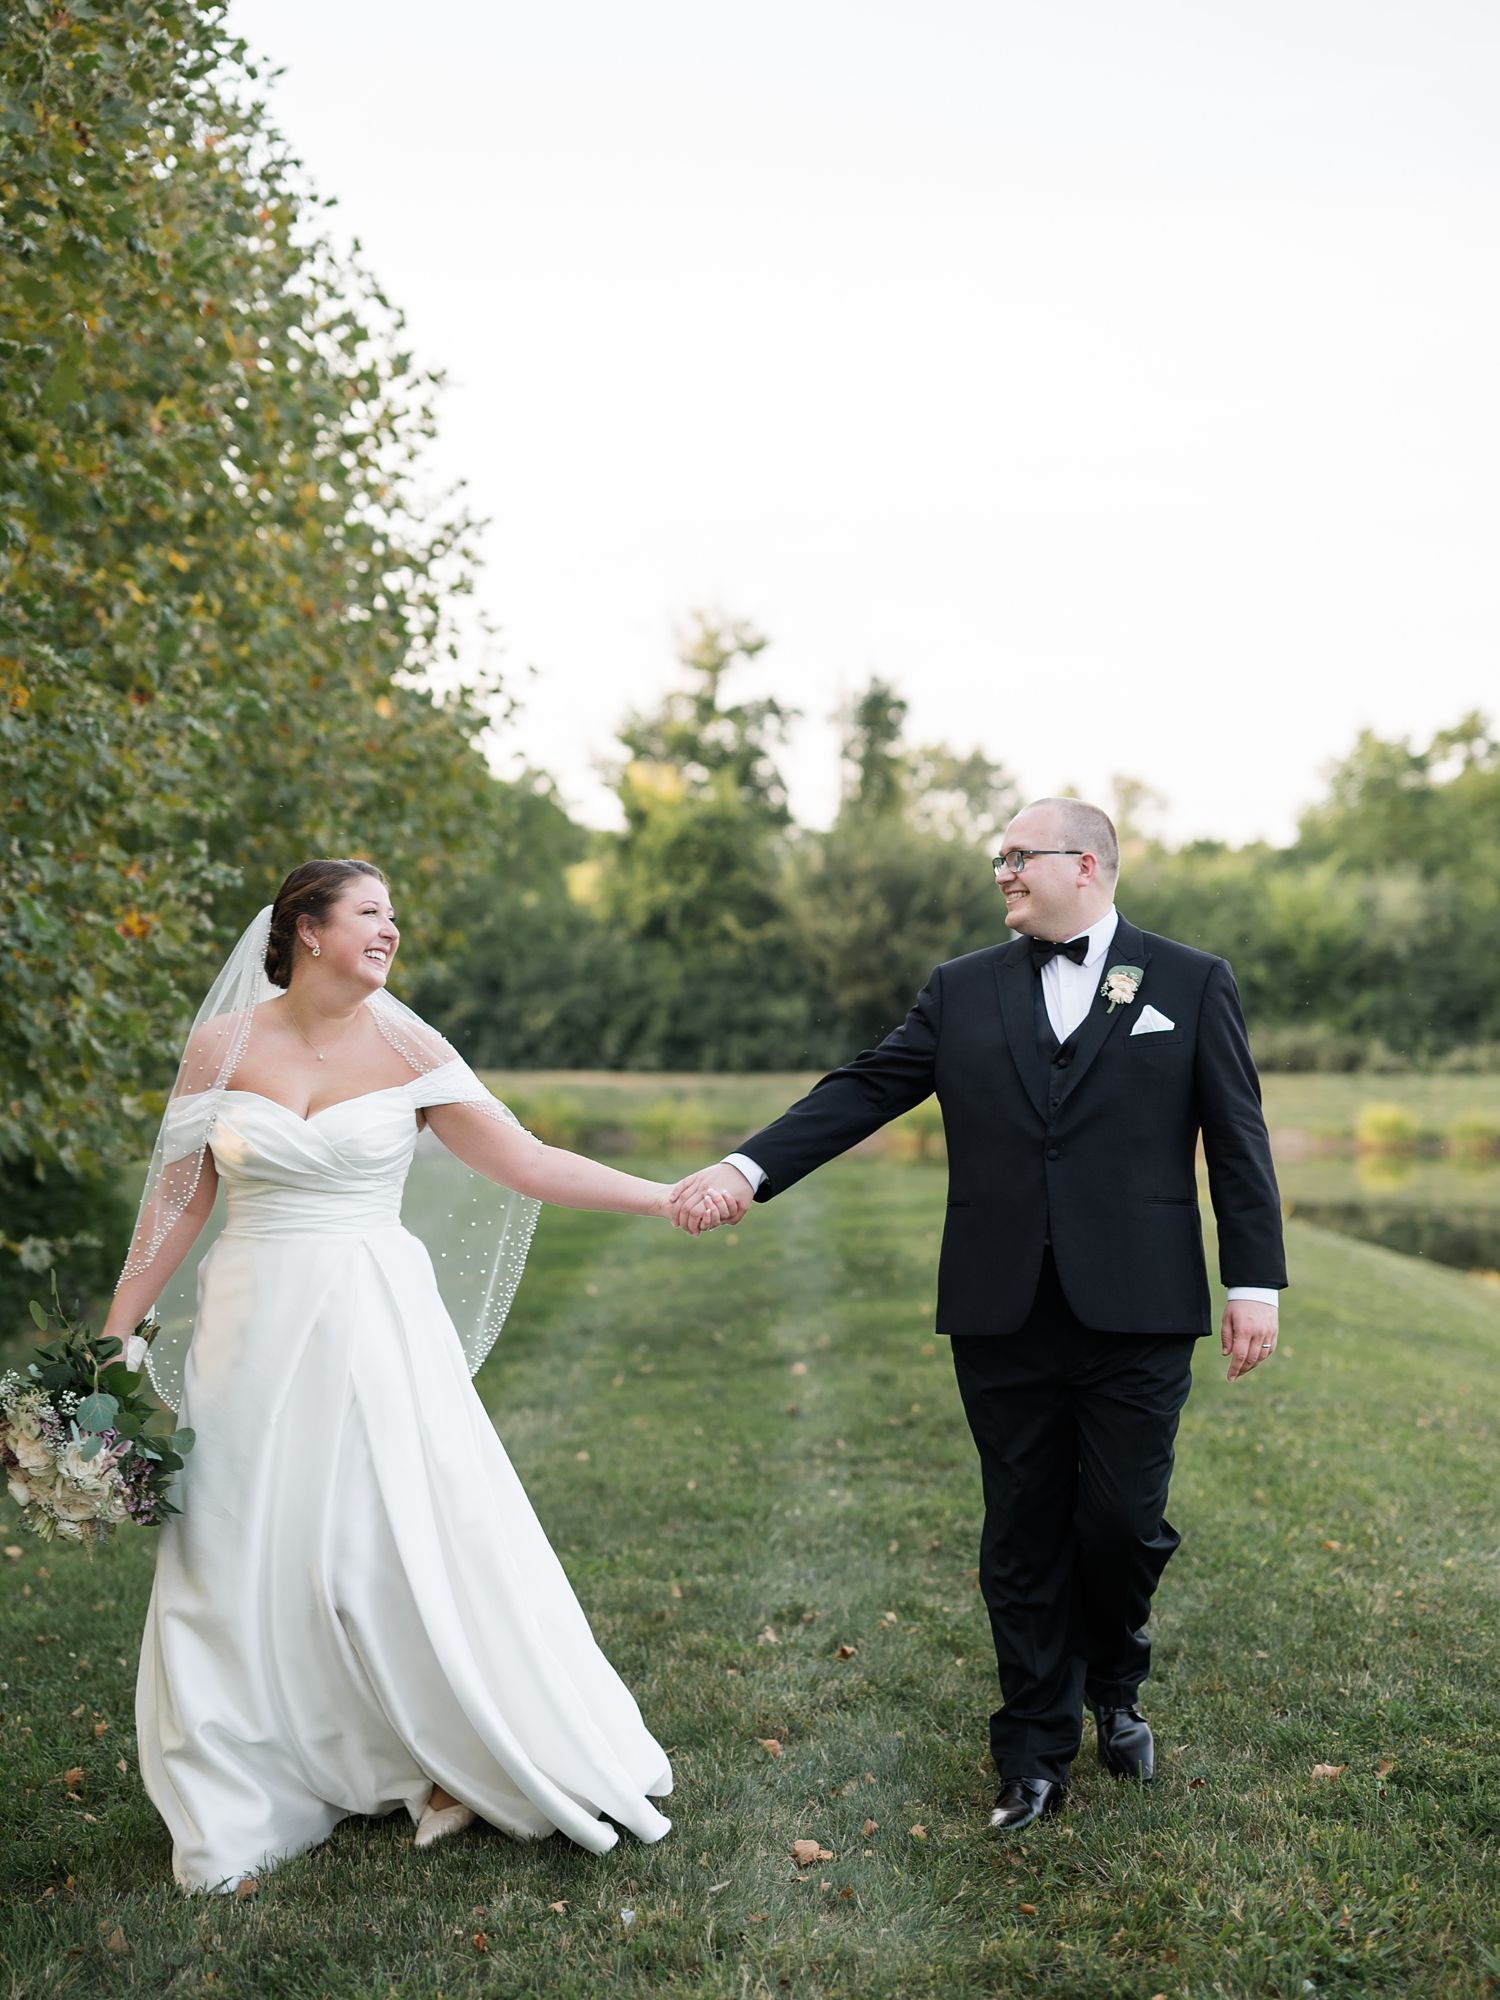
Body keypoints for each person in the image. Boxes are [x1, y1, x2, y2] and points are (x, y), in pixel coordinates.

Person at [105, 858, 733, 1893]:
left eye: (395, 914)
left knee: (377, 1536)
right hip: (247, 1329)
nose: (391, 929)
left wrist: (661, 1195)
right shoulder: (221, 1045)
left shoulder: (408, 1042)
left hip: (372, 1322)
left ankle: (440, 1758)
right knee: (232, 1536)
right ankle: (243, 1775)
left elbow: (525, 1160)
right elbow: (178, 1196)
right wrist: (117, 1332)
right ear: (305, 929)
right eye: (369, 912)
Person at [669, 798, 1285, 1831]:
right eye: (997, 857)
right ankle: (1035, 1751)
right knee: (1022, 1530)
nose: (1001, 872)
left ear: (1084, 864)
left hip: (1138, 1304)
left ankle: (1115, 1682)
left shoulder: (1188, 978)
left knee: (1123, 1523)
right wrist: (746, 1166)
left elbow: (1238, 1135)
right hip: (1001, 1306)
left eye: (1017, 856)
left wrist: (1253, 1283)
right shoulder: (961, 990)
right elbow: (863, 1088)